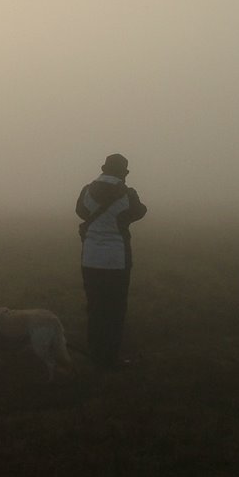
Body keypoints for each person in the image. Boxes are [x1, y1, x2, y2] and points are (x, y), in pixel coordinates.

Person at [75, 153, 147, 369]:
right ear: (123, 173)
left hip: (90, 258)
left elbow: (80, 211)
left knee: (95, 308)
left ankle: (95, 355)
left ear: (104, 169)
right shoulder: (128, 194)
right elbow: (140, 211)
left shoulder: (86, 190)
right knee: (115, 310)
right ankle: (110, 359)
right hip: (117, 260)